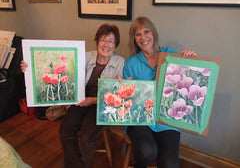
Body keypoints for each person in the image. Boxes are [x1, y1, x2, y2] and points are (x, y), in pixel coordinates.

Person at [21, 24, 125, 168]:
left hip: (102, 104)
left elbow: (117, 94)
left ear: (116, 44)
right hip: (81, 100)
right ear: (97, 41)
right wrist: (30, 65)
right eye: (103, 40)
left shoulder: (120, 63)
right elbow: (58, 62)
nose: (106, 45)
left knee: (87, 135)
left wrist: (93, 100)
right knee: (65, 130)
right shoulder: (86, 56)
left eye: (111, 41)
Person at [122, 16, 197, 168]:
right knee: (146, 153)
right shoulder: (130, 64)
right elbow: (126, 102)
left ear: (153, 33)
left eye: (146, 31)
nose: (143, 37)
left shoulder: (172, 55)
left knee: (170, 165)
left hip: (166, 120)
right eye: (138, 34)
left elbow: (186, 83)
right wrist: (121, 87)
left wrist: (189, 62)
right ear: (134, 39)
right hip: (141, 119)